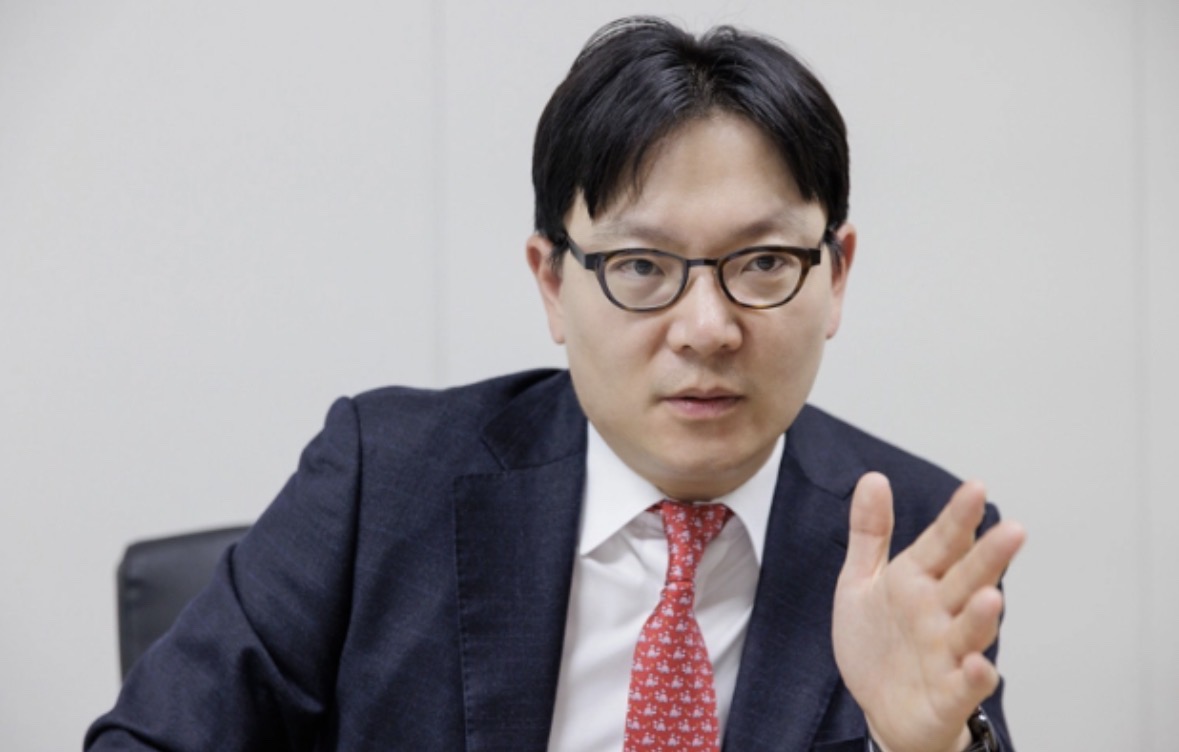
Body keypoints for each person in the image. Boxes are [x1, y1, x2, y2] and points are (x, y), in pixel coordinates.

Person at [86, 15, 1024, 752]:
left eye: (764, 262)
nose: (706, 328)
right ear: (551, 283)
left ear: (836, 275)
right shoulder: (382, 480)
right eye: (642, 266)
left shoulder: (919, 541)